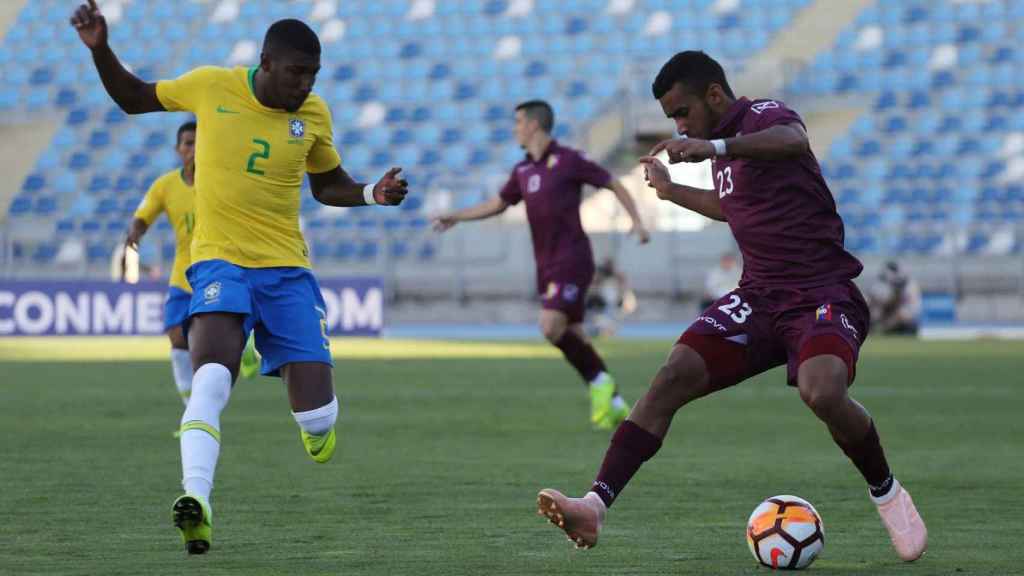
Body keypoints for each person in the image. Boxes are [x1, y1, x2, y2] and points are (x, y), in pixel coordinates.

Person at [535, 51, 926, 563]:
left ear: (714, 96)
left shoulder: (764, 118)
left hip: (821, 292)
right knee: (674, 372)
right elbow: (733, 206)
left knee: (822, 390)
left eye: (682, 112)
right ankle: (595, 504)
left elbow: (795, 141)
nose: (678, 124)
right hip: (759, 296)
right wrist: (674, 192)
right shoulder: (724, 153)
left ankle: (886, 491)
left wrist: (713, 145)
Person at [72, 2, 408, 554]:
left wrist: (372, 192)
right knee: (210, 377)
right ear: (266, 63)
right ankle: (196, 500)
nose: (305, 84)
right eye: (297, 72)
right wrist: (100, 49)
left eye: (313, 75)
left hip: (287, 270)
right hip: (219, 262)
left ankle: (311, 418)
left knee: (319, 417)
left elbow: (327, 185)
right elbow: (134, 99)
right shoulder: (212, 86)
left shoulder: (314, 114)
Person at [433, 100, 651, 430]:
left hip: (573, 258)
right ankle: (614, 400)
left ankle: (600, 385)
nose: (514, 128)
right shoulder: (523, 170)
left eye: (518, 122)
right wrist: (457, 217)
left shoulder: (569, 160)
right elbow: (498, 204)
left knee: (550, 326)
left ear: (534, 125)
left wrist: (637, 221)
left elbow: (613, 182)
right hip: (546, 265)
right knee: (573, 333)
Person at [125, 121, 263, 398]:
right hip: (183, 274)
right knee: (177, 338)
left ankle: (245, 345)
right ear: (178, 149)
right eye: (188, 143)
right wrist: (134, 236)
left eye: (200, 142)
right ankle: (192, 412)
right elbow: (142, 217)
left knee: (218, 340)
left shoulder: (222, 181)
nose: (194, 148)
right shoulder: (165, 186)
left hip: (219, 270)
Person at [584, 258, 637, 338]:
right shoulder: (601, 282)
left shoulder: (615, 281)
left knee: (607, 318)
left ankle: (604, 329)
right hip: (602, 307)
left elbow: (626, 298)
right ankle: (601, 329)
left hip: (612, 307)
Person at [868, 261, 921, 336]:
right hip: (888, 316)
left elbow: (909, 311)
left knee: (901, 314)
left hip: (907, 321)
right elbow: (877, 301)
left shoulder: (909, 286)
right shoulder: (883, 284)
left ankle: (883, 329)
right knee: (875, 310)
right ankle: (879, 329)